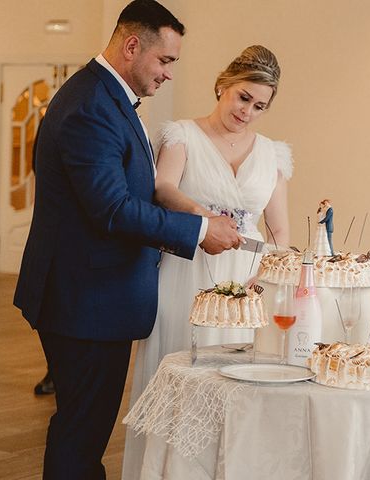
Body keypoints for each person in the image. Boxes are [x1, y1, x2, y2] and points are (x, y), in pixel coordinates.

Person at [13, 1, 241, 478]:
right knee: (82, 431)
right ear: (131, 45)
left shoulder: (106, 98)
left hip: (95, 296)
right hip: (84, 300)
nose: (169, 74)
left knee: (86, 428)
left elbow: (133, 191)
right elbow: (111, 209)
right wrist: (198, 232)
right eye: (165, 60)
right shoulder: (90, 108)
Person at [122, 45, 292, 479]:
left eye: (259, 106)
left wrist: (266, 274)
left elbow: (279, 230)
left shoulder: (272, 153)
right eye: (242, 97)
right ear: (223, 85)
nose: (248, 111)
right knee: (182, 365)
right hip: (189, 266)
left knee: (237, 379)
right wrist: (206, 219)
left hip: (247, 278)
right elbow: (162, 189)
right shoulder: (181, 134)